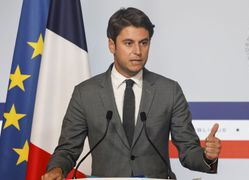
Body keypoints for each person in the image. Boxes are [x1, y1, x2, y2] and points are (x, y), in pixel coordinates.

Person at [42, 7, 221, 180]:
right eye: (129, 43)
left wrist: (207, 156)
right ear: (112, 45)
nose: (137, 51)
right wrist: (57, 169)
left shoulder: (169, 91)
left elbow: (188, 151)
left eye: (144, 43)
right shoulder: (85, 93)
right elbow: (67, 150)